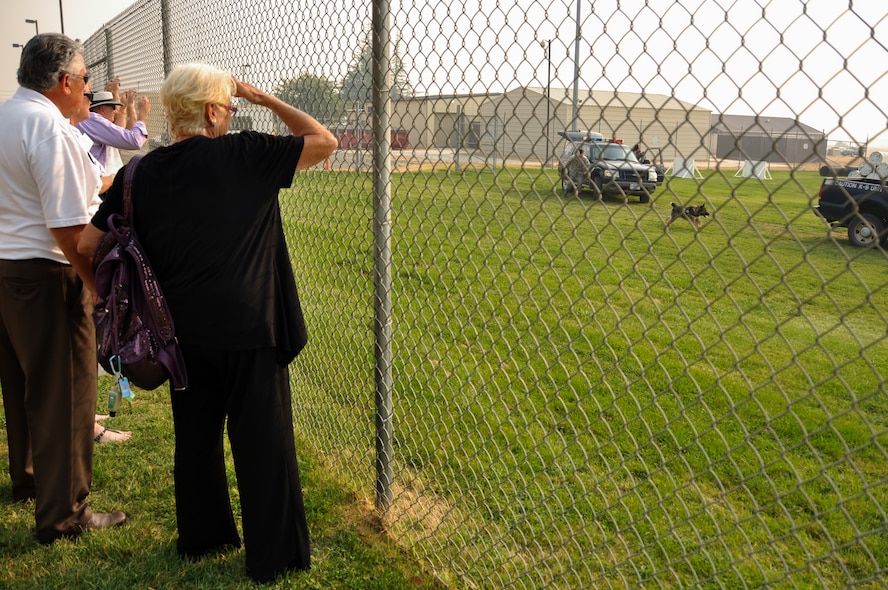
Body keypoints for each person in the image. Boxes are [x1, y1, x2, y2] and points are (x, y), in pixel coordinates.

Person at [79, 62, 337, 583]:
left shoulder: (139, 173)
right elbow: (324, 141)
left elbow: (86, 245)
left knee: (195, 438)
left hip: (178, 334)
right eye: (231, 106)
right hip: (250, 327)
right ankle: (275, 554)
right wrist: (263, 98)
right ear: (215, 111)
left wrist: (104, 292)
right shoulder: (245, 153)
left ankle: (203, 537)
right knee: (262, 441)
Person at [0, 33, 127, 544]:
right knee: (67, 393)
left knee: (24, 383)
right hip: (48, 273)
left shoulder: (8, 115)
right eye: (86, 80)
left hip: (8, 267)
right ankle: (64, 513)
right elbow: (71, 231)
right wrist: (95, 286)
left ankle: (30, 478)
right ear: (65, 81)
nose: (89, 90)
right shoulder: (50, 129)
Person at [68, 90, 133, 445]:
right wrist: (92, 280)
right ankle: (86, 427)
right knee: (82, 340)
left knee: (86, 339)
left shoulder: (75, 132)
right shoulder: (72, 133)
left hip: (71, 249)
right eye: (87, 90)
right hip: (75, 250)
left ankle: (86, 413)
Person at [76, 87, 150, 174]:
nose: (115, 111)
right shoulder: (93, 119)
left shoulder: (89, 122)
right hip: (100, 182)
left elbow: (120, 132)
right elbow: (134, 140)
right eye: (112, 107)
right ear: (102, 109)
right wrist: (142, 116)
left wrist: (127, 106)